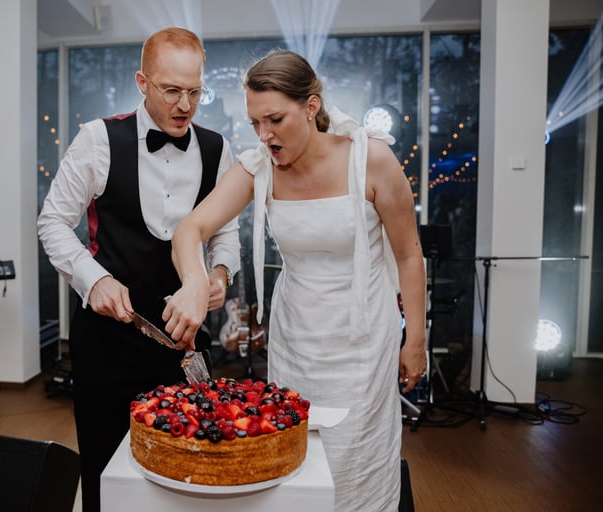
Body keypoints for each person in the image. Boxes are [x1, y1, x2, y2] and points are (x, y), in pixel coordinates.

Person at [164, 50, 427, 511]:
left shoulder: (371, 159)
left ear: (311, 107)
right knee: (295, 455)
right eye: (255, 123)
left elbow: (408, 255)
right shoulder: (258, 167)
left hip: (363, 337)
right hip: (296, 336)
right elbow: (191, 229)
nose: (264, 135)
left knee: (356, 458)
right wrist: (193, 283)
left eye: (275, 120)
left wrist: (416, 340)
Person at [37, 27, 240, 512]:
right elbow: (52, 222)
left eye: (195, 92)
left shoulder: (218, 150)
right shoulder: (97, 140)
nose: (185, 105)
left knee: (186, 465)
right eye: (171, 90)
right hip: (106, 341)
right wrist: (95, 280)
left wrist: (219, 275)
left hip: (183, 342)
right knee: (105, 466)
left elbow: (226, 233)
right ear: (142, 82)